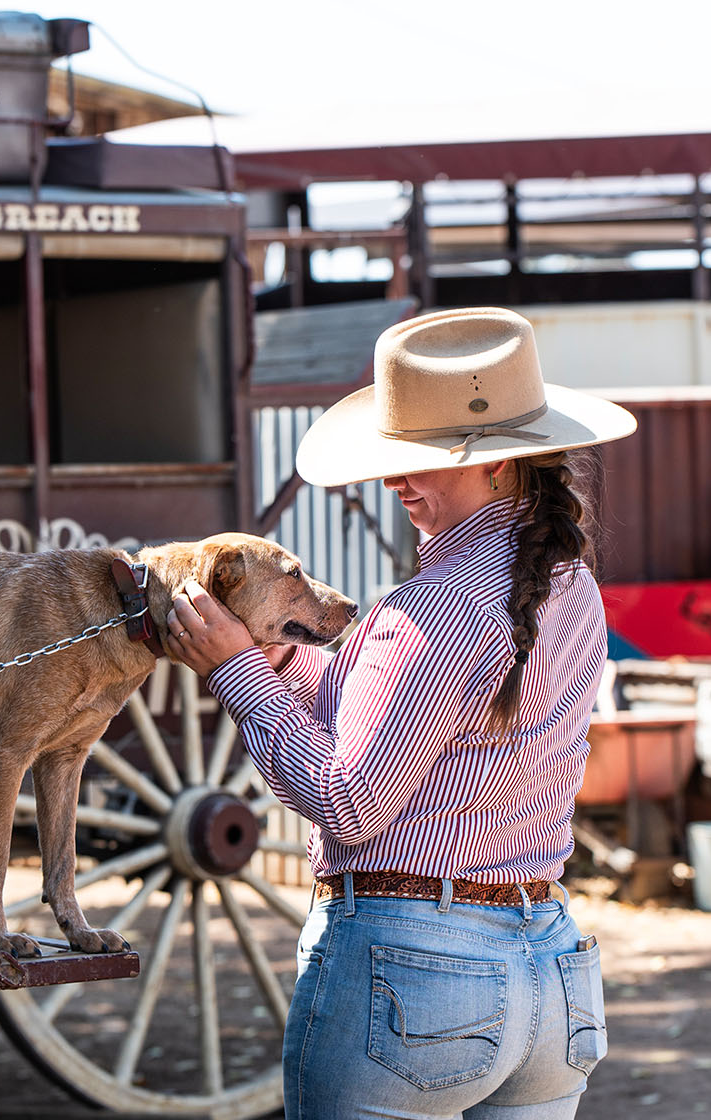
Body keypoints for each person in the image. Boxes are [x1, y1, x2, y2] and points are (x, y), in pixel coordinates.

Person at [164, 306, 638, 1120]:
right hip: (552, 972)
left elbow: (349, 800)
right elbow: (405, 718)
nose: (394, 481)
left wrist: (238, 671)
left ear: (498, 465)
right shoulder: (571, 586)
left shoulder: (435, 607)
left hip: (417, 976)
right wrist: (275, 654)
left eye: (419, 460)